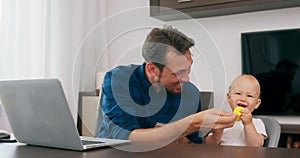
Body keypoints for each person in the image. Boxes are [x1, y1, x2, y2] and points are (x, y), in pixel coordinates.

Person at [98, 25, 236, 144]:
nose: (187, 79)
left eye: (189, 69)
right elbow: (126, 139)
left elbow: (193, 144)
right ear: (152, 69)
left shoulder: (191, 93)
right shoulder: (119, 79)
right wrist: (193, 123)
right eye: (179, 72)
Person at [206, 74, 267, 146]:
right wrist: (216, 136)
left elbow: (256, 146)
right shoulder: (222, 121)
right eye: (238, 93)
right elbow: (209, 145)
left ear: (257, 103)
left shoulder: (257, 123)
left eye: (249, 96)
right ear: (229, 97)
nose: (243, 99)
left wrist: (248, 124)